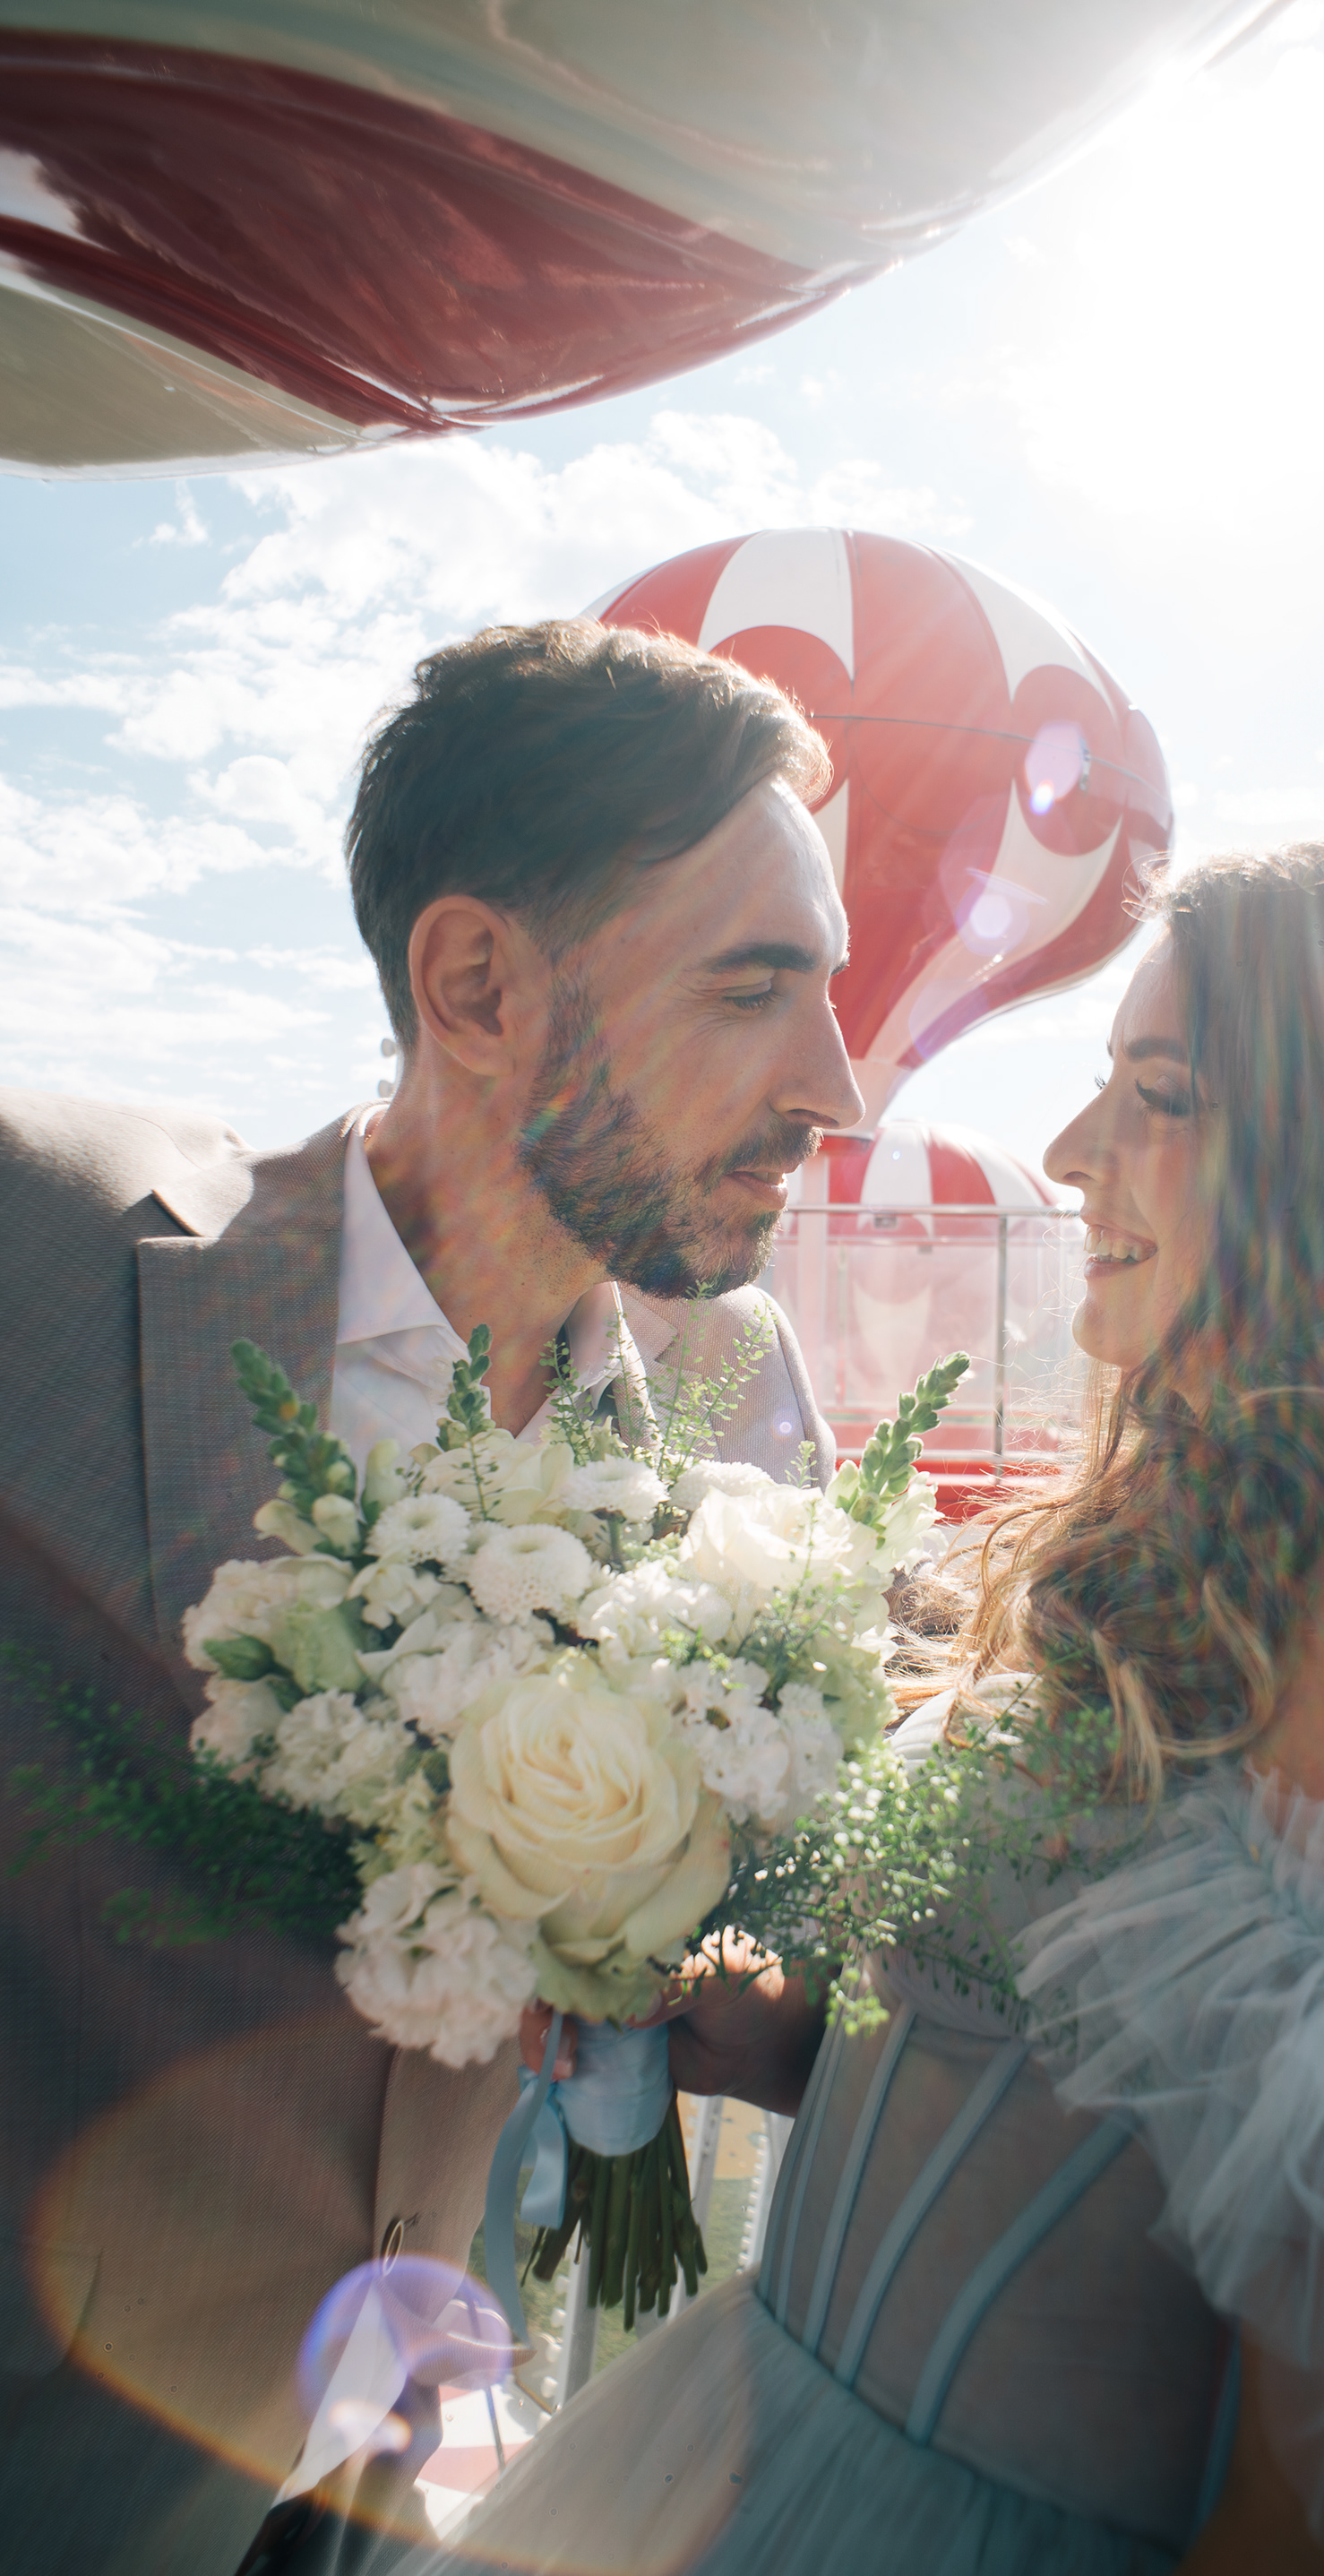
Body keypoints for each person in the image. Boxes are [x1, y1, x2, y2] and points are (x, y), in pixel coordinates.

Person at [390, 837, 1324, 2576]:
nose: (1078, 1152)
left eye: (1161, 1095)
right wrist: (806, 2050)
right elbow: (1175, 2116)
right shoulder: (1229, 1513)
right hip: (771, 2446)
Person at [0, 617, 864, 2576]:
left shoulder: (725, 1415)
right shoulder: (40, 1238)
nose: (836, 1083)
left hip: (373, 2463)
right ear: (476, 983)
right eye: (754, 987)